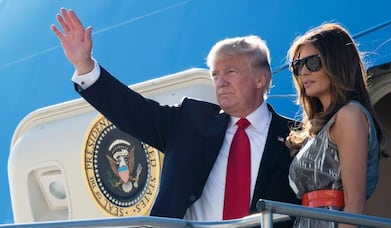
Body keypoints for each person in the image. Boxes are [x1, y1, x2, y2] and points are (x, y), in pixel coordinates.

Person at [51, 8, 299, 225]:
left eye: (231, 71)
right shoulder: (189, 121)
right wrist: (85, 66)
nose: (220, 82)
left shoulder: (296, 137)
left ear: (261, 78)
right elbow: (133, 111)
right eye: (215, 74)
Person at [285, 23, 388, 228]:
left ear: (337, 63)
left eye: (312, 62)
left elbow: (354, 205)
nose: (303, 71)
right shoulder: (320, 127)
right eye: (297, 65)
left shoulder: (349, 115)